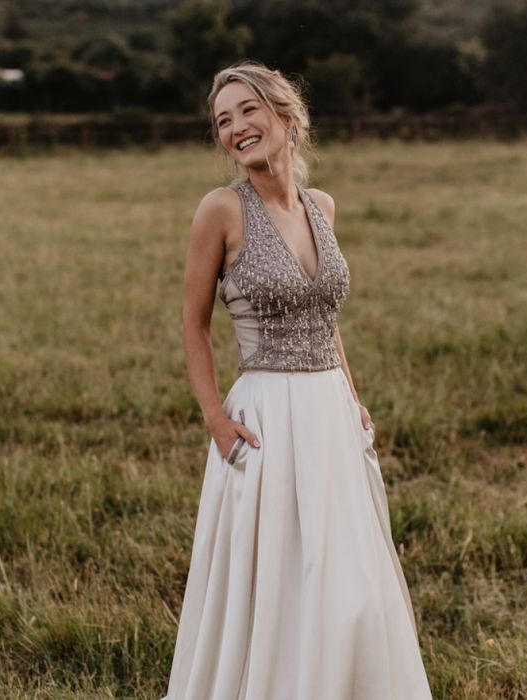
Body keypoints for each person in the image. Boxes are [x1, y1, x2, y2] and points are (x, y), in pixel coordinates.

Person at [162, 61, 432, 699]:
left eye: (248, 110)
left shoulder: (322, 206)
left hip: (330, 415)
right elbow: (193, 327)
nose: (235, 128)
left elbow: (325, 317)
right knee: (277, 581)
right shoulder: (221, 210)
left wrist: (355, 401)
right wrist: (217, 423)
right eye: (222, 120)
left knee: (352, 584)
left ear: (286, 114)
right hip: (265, 418)